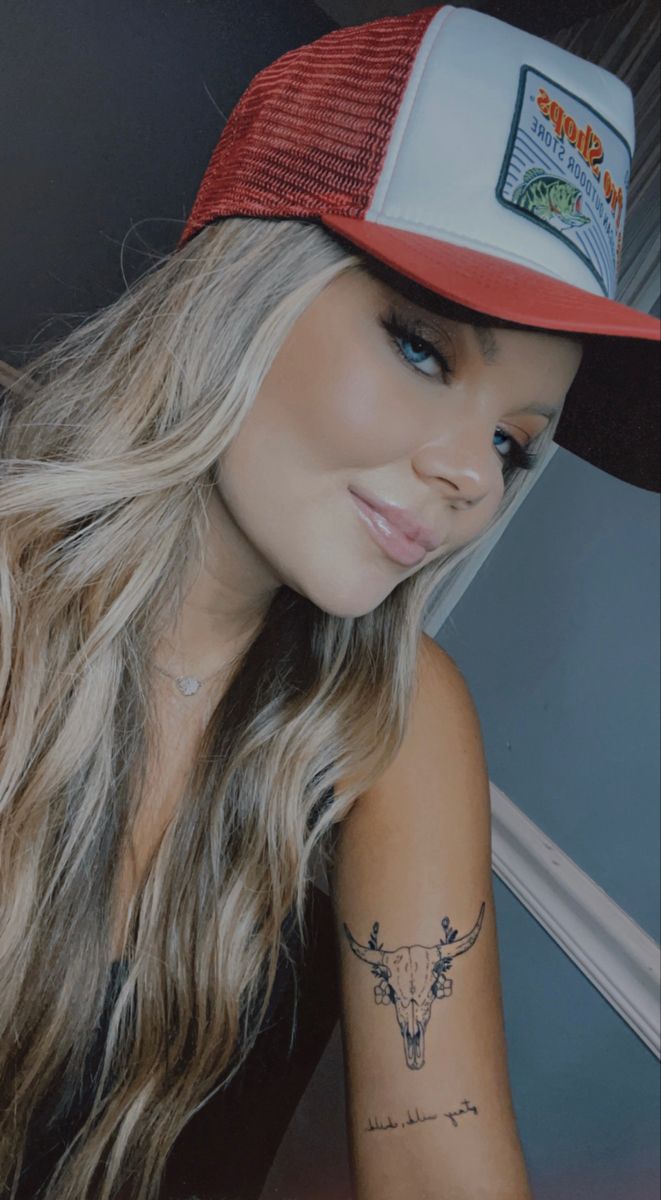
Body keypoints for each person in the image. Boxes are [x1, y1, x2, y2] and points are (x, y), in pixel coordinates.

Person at [0, 5, 658, 1200]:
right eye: (421, 348)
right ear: (243, 281)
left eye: (517, 445)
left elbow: (435, 1150)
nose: (471, 476)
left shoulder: (397, 716)